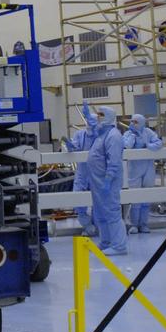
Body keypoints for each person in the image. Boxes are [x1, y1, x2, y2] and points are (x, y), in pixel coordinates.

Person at [87, 105, 128, 256]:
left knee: (112, 212)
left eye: (101, 115)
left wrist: (108, 180)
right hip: (98, 182)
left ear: (109, 117)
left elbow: (114, 161)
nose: (98, 117)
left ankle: (119, 246)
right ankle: (106, 242)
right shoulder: (101, 134)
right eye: (98, 114)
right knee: (100, 214)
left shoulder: (113, 136)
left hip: (108, 182)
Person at [123, 114, 163, 234]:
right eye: (132, 121)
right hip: (134, 168)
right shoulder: (127, 134)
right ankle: (134, 224)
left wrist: (148, 146)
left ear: (142, 123)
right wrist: (133, 136)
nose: (133, 124)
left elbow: (159, 143)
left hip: (148, 167)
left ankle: (144, 224)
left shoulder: (148, 132)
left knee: (146, 196)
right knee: (135, 197)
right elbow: (126, 146)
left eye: (136, 122)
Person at [67, 100, 98, 236]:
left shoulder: (101, 135)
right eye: (88, 120)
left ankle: (97, 226)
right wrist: (70, 146)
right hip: (82, 173)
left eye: (92, 121)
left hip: (97, 173)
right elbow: (75, 147)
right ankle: (87, 225)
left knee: (98, 202)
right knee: (78, 199)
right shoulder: (80, 134)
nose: (89, 123)